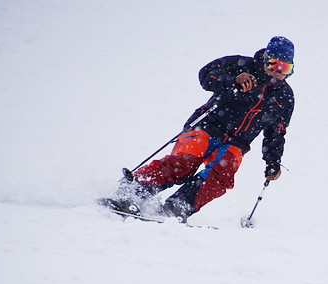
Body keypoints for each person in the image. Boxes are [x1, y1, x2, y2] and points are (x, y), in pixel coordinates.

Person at [101, 36, 295, 221]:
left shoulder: (285, 97)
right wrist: (232, 81)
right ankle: (134, 190)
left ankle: (178, 206)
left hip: (237, 142)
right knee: (184, 164)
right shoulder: (241, 65)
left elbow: (276, 133)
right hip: (207, 126)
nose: (278, 72)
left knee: (221, 176)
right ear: (265, 59)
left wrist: (273, 161)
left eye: (285, 68)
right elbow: (206, 75)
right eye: (273, 65)